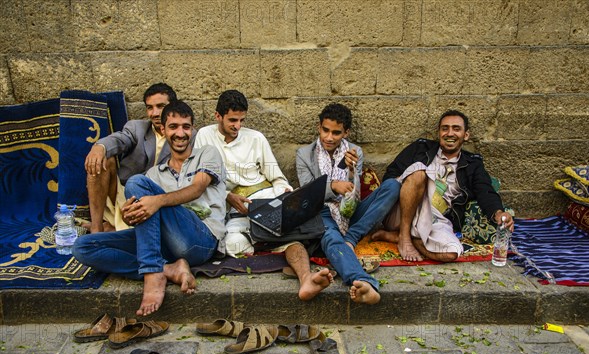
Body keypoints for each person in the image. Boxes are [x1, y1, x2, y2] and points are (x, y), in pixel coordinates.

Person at [73, 100, 227, 316]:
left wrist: (158, 201)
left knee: (136, 183)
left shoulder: (207, 153)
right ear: (163, 130)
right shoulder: (155, 174)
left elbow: (197, 188)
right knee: (83, 247)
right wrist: (129, 215)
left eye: (185, 126)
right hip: (165, 246)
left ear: (192, 130)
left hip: (200, 240)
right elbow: (145, 217)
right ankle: (167, 269)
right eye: (173, 127)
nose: (180, 133)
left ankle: (152, 274)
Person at [194, 89, 332, 301]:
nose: (237, 126)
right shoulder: (204, 136)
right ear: (217, 116)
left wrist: (285, 194)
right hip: (234, 211)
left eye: (241, 120)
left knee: (289, 227)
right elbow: (201, 182)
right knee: (230, 244)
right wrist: (227, 196)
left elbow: (277, 178)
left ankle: (306, 279)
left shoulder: (256, 138)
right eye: (232, 120)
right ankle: (267, 239)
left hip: (266, 198)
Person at [372, 109, 514, 262]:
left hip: (436, 220)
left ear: (466, 135)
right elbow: (390, 176)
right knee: (418, 171)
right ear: (439, 133)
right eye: (445, 128)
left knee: (451, 254)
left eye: (456, 129)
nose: (450, 133)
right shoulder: (420, 148)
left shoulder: (473, 163)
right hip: (402, 212)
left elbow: (485, 190)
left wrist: (498, 213)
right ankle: (405, 237)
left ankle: (400, 237)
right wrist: (412, 184)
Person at [296, 103, 400, 305]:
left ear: (346, 132)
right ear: (319, 127)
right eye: (325, 130)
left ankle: (351, 239)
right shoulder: (304, 154)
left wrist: (352, 173)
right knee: (331, 239)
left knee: (393, 186)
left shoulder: (355, 152)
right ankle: (363, 281)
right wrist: (333, 185)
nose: (329, 137)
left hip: (350, 211)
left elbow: (354, 194)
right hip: (322, 211)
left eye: (336, 133)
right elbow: (308, 191)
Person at [83, 83, 180, 233]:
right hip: (123, 193)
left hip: (156, 198)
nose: (154, 113)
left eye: (160, 106)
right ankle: (96, 229)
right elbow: (120, 139)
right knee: (102, 161)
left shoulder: (184, 135)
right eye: (149, 107)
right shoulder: (137, 128)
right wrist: (99, 147)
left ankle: (112, 229)